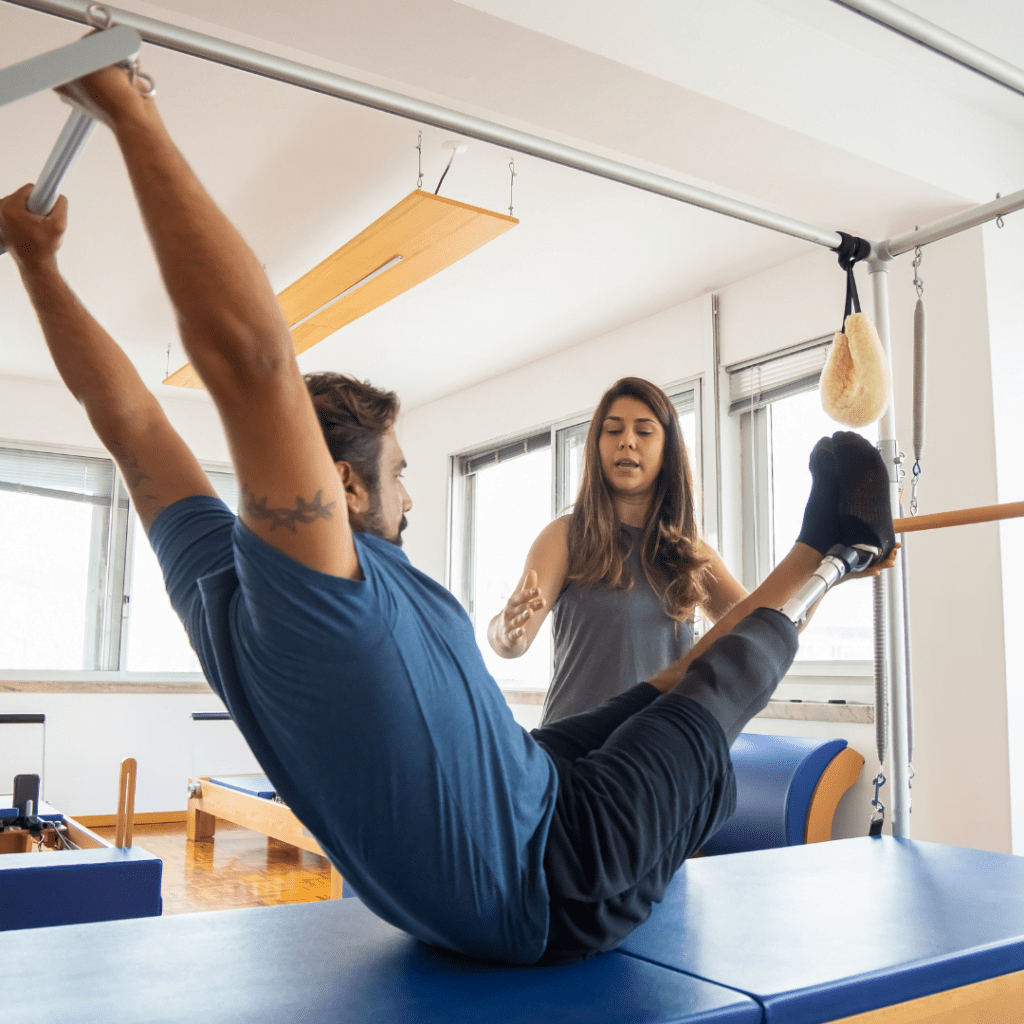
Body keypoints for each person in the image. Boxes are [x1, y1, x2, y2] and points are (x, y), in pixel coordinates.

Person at [0, 60, 895, 966]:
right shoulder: (311, 589)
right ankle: (832, 554)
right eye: (398, 470)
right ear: (345, 488)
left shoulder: (211, 570)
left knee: (655, 692)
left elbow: (129, 422)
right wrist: (130, 112)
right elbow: (248, 357)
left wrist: (40, 266)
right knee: (707, 699)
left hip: (533, 784)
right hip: (554, 876)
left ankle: (828, 554)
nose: (413, 495)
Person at [488, 377, 747, 724]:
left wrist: (826, 568)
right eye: (613, 431)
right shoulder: (564, 536)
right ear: (596, 445)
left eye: (643, 432)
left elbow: (766, 624)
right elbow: (511, 642)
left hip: (656, 755)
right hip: (577, 756)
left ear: (666, 448)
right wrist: (504, 631)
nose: (626, 441)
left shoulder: (691, 553)